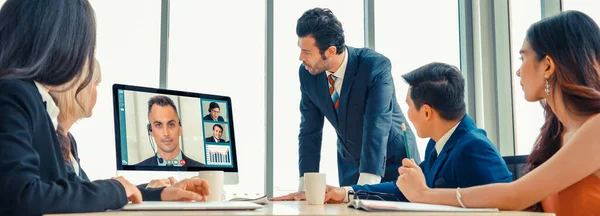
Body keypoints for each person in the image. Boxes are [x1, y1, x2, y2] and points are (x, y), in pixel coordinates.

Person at [0, 1, 209, 215]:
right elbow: (20, 196)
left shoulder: (34, 101)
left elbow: (72, 190)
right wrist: (115, 188)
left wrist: (158, 194)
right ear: (62, 42)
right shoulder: (15, 93)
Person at [396, 11, 600, 215]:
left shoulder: (597, 128)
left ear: (547, 65)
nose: (518, 71)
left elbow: (516, 195)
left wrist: (424, 194)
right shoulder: (557, 135)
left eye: (523, 58)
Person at [272, 8, 419, 201]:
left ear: (331, 51)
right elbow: (309, 131)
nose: (301, 58)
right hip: (349, 162)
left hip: (391, 161)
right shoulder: (307, 73)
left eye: (306, 51)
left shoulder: (375, 66)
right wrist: (307, 188)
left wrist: (364, 189)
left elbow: (377, 125)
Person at [320, 63, 512, 203]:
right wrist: (346, 193)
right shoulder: (439, 142)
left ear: (427, 112)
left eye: (409, 106)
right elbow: (405, 189)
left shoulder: (474, 148)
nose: (407, 115)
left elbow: (501, 204)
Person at [51, 60, 180, 191]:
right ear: (76, 87)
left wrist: (147, 189)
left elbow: (87, 191)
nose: (96, 92)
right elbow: (82, 193)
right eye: (95, 84)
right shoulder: (51, 139)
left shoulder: (69, 140)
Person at [136, 95, 205, 167]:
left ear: (180, 128)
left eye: (171, 124)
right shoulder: (136, 172)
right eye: (159, 125)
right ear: (150, 131)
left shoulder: (202, 169)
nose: (166, 133)